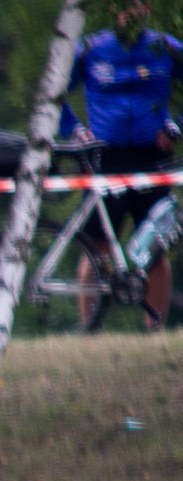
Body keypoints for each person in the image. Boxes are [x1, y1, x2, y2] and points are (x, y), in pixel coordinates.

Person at [60, 0, 183, 330]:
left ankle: (154, 330)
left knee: (155, 248)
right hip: (105, 159)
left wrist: (177, 126)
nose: (131, 11)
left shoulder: (165, 47)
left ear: (148, 9)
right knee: (95, 248)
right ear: (113, 8)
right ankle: (89, 330)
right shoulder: (91, 49)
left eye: (138, 4)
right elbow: (53, 91)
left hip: (152, 159)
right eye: (124, 4)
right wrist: (75, 131)